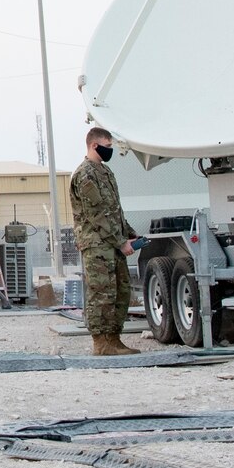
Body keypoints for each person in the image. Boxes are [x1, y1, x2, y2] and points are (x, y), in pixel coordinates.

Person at [70, 127, 139, 357]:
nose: (110, 151)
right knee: (102, 293)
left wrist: (129, 233)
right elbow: (97, 214)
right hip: (98, 245)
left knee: (120, 290)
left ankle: (114, 338)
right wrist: (121, 241)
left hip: (112, 243)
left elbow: (114, 210)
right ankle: (101, 343)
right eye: (107, 147)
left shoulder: (105, 172)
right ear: (93, 145)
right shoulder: (85, 174)